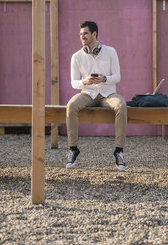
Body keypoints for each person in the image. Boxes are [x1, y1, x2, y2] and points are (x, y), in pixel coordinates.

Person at [66, 21, 127, 170]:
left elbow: (117, 76)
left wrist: (104, 78)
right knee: (71, 105)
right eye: (80, 34)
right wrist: (84, 82)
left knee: (121, 105)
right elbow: (74, 82)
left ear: (94, 34)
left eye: (85, 33)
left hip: (108, 93)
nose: (82, 36)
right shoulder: (76, 56)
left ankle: (119, 152)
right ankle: (73, 149)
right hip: (88, 93)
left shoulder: (111, 51)